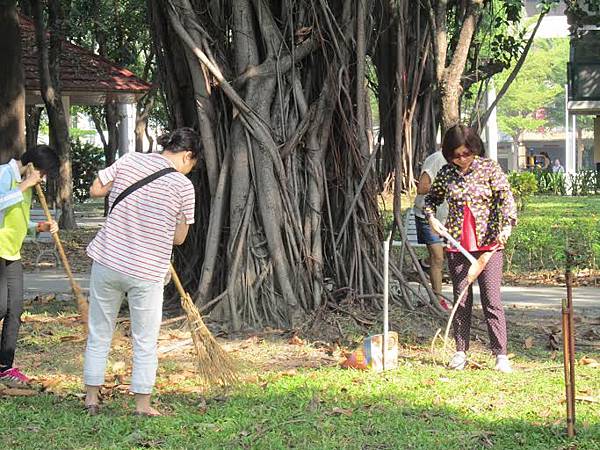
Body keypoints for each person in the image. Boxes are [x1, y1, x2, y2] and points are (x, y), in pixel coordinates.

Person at [83, 128, 200, 416]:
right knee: (145, 339)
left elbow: (96, 190)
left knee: (99, 331)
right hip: (146, 271)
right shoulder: (184, 187)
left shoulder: (131, 160)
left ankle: (91, 399)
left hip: (108, 260)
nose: (190, 169)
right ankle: (142, 405)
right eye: (192, 164)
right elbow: (179, 239)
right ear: (187, 156)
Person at [424, 124, 517, 373]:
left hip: (489, 245)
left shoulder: (489, 168)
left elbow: (505, 198)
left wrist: (506, 226)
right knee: (462, 299)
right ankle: (460, 352)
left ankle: (500, 355)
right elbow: (430, 200)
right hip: (457, 245)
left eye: (466, 153)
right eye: (456, 155)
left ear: (475, 149)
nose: (462, 159)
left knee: (492, 299)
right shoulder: (445, 173)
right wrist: (432, 218)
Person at [0, 145, 59, 384]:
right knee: (1, 307)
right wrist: (25, 184)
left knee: (15, 310)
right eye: (42, 174)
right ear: (32, 165)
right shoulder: (5, 173)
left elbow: (17, 220)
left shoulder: (28, 185)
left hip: (11, 253)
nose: (42, 179)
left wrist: (39, 227)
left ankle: (5, 366)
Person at [413, 150, 449, 310]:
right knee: (438, 258)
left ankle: (424, 265)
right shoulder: (437, 160)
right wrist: (445, 186)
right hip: (427, 216)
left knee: (447, 254)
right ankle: (437, 300)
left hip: (448, 218)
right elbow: (422, 188)